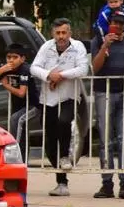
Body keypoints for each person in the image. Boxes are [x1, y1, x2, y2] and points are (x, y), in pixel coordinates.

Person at [30, 18, 90, 197]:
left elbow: (83, 69)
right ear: (52, 34)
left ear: (69, 33)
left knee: (64, 122)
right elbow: (34, 68)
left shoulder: (78, 46)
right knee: (50, 142)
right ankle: (61, 182)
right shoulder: (46, 47)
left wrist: (61, 76)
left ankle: (66, 156)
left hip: (70, 96)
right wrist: (49, 76)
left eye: (64, 32)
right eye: (58, 33)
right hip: (48, 98)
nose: (61, 36)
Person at [91, 11, 124, 200]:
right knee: (105, 140)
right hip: (104, 93)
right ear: (108, 23)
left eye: (120, 23)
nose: (117, 26)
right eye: (114, 22)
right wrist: (105, 46)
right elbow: (95, 67)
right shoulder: (98, 40)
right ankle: (107, 183)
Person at [0, 44, 34, 157]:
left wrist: (6, 85)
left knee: (16, 120)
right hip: (18, 106)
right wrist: (0, 70)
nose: (11, 60)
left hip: (32, 105)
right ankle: (23, 158)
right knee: (20, 126)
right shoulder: (6, 68)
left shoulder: (24, 69)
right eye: (9, 57)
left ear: (22, 59)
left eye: (15, 57)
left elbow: (22, 93)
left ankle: (15, 155)